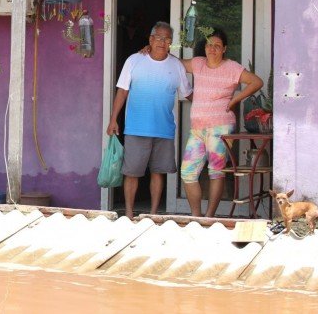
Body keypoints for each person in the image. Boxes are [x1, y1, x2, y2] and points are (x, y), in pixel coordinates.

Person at [106, 21, 192, 219]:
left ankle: (153, 214)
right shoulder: (134, 60)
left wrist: (212, 99)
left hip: (164, 129)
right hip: (136, 128)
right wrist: (113, 120)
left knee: (158, 172)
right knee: (132, 173)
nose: (163, 42)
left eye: (167, 39)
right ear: (151, 40)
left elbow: (187, 93)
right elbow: (122, 91)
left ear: (171, 42)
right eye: (159, 38)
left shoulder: (176, 65)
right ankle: (128, 213)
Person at [180, 28, 263, 217]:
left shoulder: (232, 67)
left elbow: (256, 82)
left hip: (221, 128)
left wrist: (235, 100)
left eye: (217, 46)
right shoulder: (198, 63)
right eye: (209, 44)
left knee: (216, 172)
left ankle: (209, 216)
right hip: (197, 129)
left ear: (224, 49)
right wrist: (151, 50)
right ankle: (196, 216)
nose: (213, 49)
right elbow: (173, 63)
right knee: (187, 173)